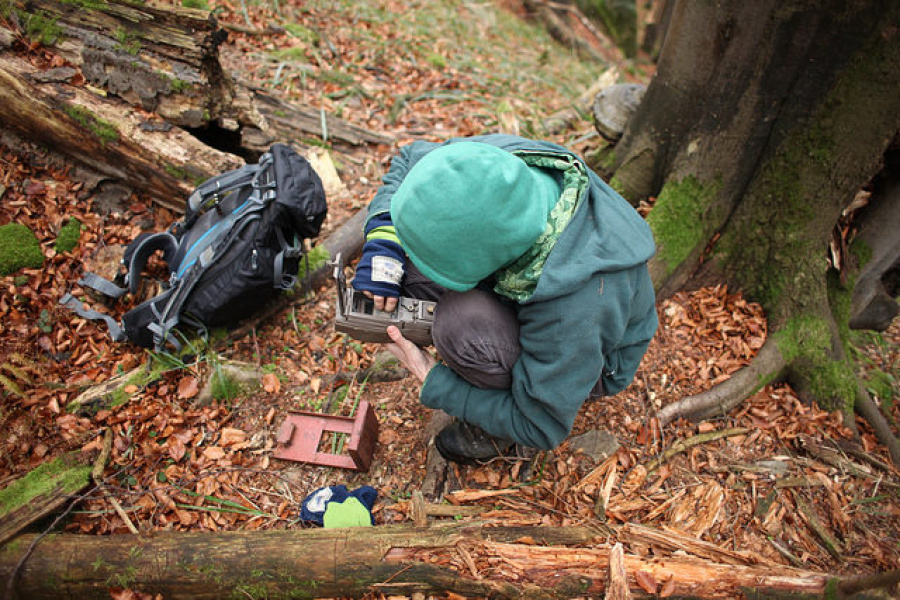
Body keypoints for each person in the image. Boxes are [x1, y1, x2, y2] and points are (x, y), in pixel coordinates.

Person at [351, 134, 657, 464]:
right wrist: (383, 242)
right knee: (406, 270)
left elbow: (541, 426)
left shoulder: (578, 307)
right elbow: (411, 154)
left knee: (461, 324)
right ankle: (488, 372)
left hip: (587, 362)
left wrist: (433, 379)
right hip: (534, 284)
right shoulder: (494, 165)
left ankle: (496, 429)